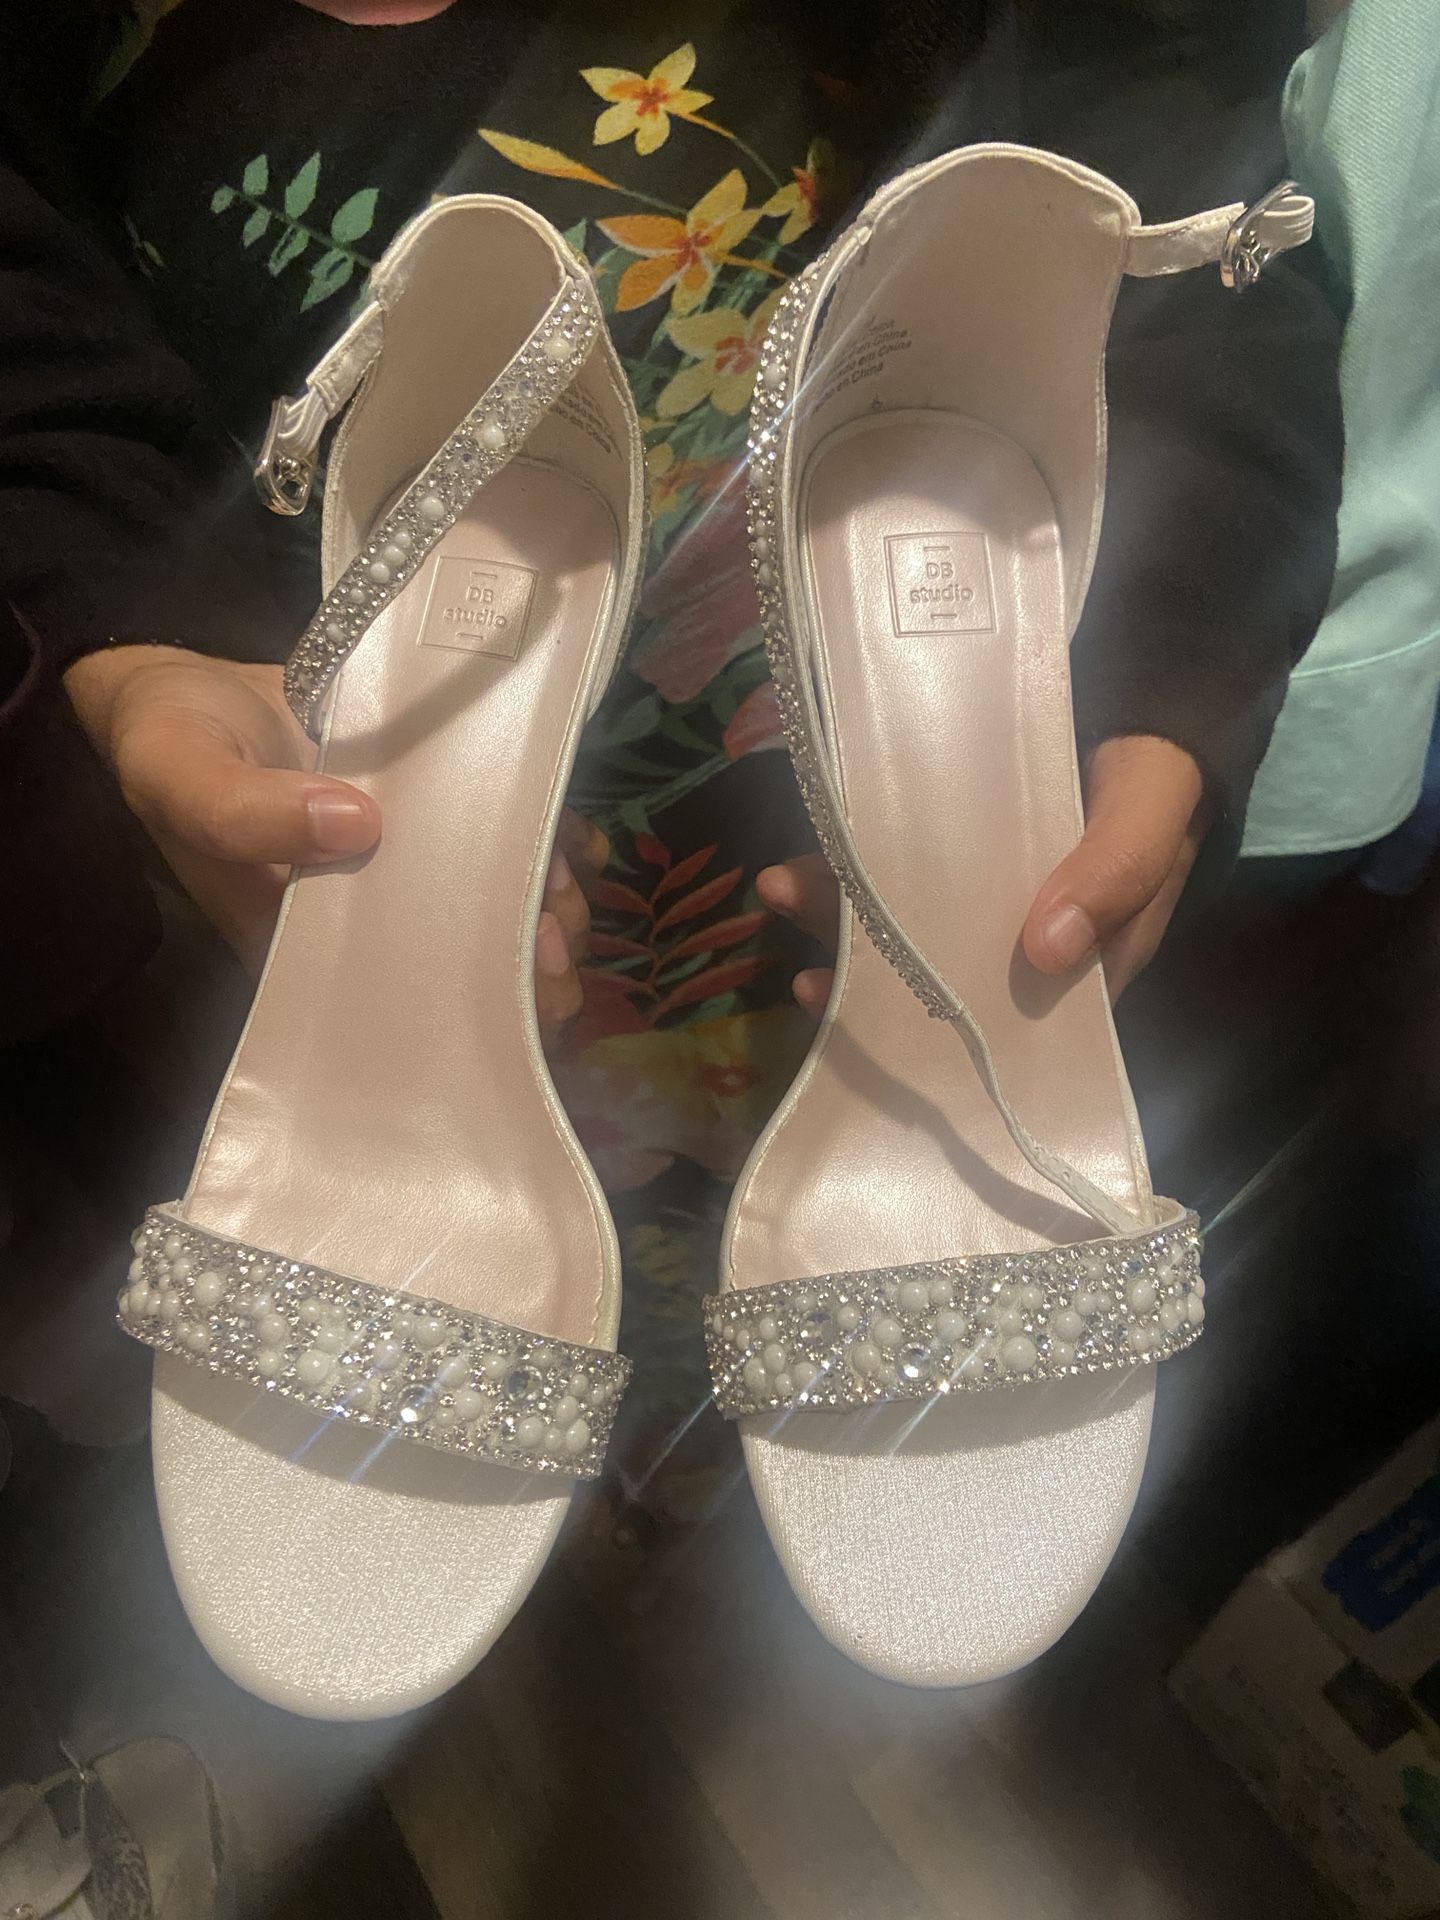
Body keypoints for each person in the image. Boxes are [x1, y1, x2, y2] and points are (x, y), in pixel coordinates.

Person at [0, 0, 1340, 1342]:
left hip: (848, 803)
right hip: (261, 763)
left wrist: (1183, 615)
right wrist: (129, 613)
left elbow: (1175, 97)